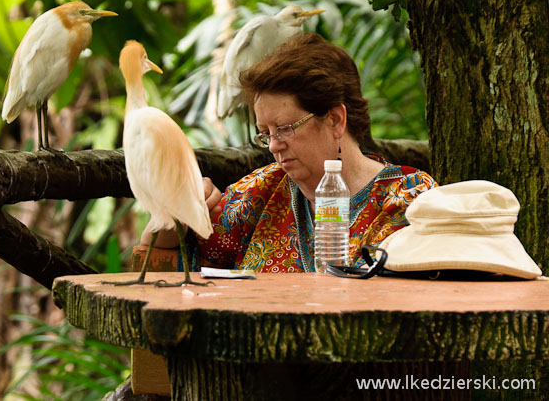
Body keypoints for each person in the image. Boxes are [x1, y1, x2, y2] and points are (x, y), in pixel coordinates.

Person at [142, 32, 437, 272]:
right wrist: (172, 217)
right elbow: (155, 264)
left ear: (335, 120)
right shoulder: (260, 192)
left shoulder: (409, 199)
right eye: (265, 133)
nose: (273, 145)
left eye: (284, 128)